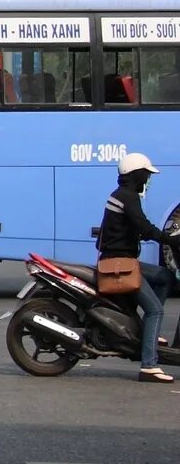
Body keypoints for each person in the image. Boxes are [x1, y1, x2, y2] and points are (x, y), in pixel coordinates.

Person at [96, 151, 180, 383]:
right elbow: (144, 226)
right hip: (119, 264)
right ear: (136, 175)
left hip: (121, 259)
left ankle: (146, 336)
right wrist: (169, 239)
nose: (148, 180)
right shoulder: (128, 197)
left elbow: (131, 229)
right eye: (146, 175)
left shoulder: (121, 195)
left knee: (165, 277)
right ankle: (149, 366)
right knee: (155, 310)